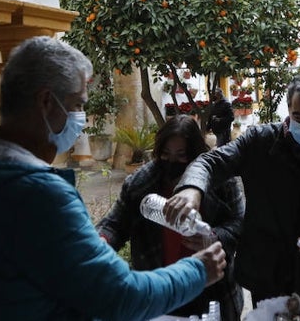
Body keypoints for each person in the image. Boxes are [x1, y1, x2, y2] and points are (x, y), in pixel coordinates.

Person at [0, 36, 225, 320]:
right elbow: (119, 296)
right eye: (77, 105)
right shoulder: (37, 194)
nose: (80, 118)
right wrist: (197, 271)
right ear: (46, 102)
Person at [165, 72, 300, 307]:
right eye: (298, 116)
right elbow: (210, 162)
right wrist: (192, 188)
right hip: (268, 276)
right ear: (288, 109)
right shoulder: (259, 142)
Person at [98, 115, 245, 320]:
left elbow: (240, 225)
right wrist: (99, 243)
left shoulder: (222, 183)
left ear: (196, 154)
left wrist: (213, 237)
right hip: (162, 287)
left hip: (212, 289)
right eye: (166, 154)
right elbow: (114, 225)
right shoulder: (141, 184)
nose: (172, 162)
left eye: (181, 155)